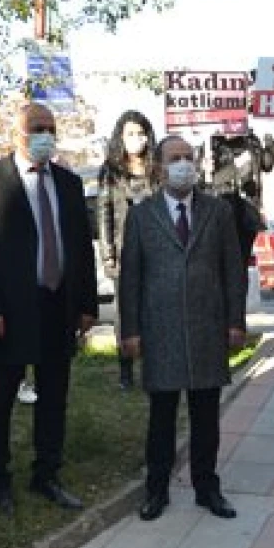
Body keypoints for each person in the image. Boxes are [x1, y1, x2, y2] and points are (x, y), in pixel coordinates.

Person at [0, 103, 98, 516]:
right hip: (8, 309)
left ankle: (47, 473)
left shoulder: (69, 184)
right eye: (38, 128)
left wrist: (85, 303)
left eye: (51, 129)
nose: (46, 136)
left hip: (57, 304)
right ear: (17, 132)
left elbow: (80, 249)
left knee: (54, 394)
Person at [121, 135, 246, 523]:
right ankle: (156, 489)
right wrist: (130, 330)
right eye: (175, 158)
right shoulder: (142, 215)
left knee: (206, 415)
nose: (183, 164)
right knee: (162, 415)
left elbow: (233, 270)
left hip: (207, 327)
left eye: (189, 157)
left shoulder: (217, 211)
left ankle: (206, 487)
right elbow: (131, 278)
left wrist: (235, 321)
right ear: (159, 168)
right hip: (160, 330)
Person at [97, 110, 157, 390]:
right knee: (126, 311)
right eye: (131, 133)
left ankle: (154, 364)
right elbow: (104, 213)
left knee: (155, 308)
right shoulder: (111, 171)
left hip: (157, 251)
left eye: (141, 133)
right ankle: (125, 370)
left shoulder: (157, 169)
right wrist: (109, 255)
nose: (137, 139)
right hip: (124, 251)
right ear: (121, 137)